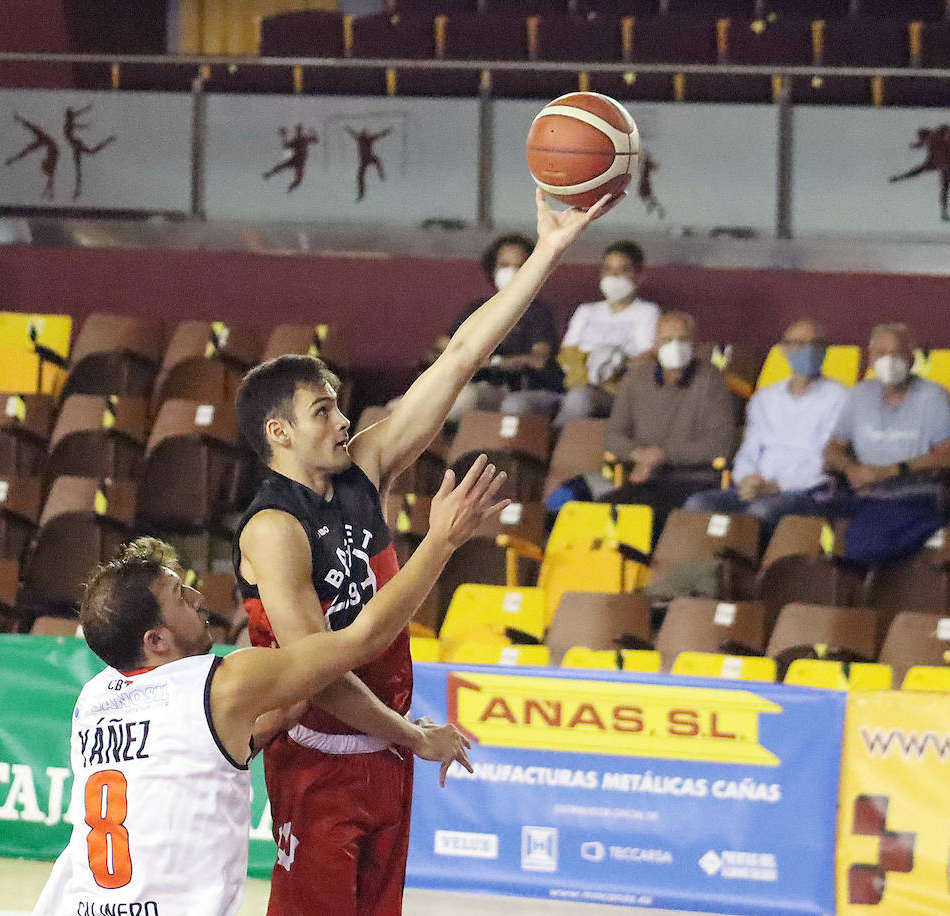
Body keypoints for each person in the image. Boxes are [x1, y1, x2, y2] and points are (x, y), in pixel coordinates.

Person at [233, 189, 616, 916]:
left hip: (384, 754)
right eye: (324, 412)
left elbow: (465, 355)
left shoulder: (365, 468)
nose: (345, 419)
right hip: (316, 758)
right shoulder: (271, 531)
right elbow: (322, 671)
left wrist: (549, 253)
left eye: (341, 405)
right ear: (279, 434)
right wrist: (414, 734)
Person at [32, 456, 503, 916]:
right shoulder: (221, 685)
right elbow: (361, 641)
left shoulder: (92, 699)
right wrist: (441, 540)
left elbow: (219, 746)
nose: (199, 598)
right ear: (155, 640)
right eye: (181, 595)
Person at [684, 319, 852, 540]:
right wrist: (747, 479)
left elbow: (824, 460)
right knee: (698, 505)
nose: (808, 351)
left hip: (806, 491)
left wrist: (776, 487)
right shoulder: (765, 398)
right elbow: (750, 449)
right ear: (784, 349)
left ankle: (755, 572)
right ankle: (708, 569)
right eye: (799, 344)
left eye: (815, 344)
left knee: (761, 512)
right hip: (757, 487)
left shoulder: (841, 397)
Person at [822, 322, 950, 565]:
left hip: (913, 495)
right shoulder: (860, 394)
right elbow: (832, 449)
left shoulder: (934, 397)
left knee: (862, 543)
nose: (888, 360)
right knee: (801, 524)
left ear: (911, 357)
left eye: (895, 353)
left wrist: (887, 471)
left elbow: (948, 456)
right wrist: (849, 468)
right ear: (871, 357)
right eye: (880, 353)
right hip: (863, 494)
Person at [601, 310, 738, 535]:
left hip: (693, 480)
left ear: (694, 345)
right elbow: (613, 437)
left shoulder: (711, 381)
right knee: (597, 511)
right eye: (667, 339)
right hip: (644, 480)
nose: (675, 346)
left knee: (642, 519)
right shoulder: (635, 379)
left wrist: (663, 455)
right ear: (655, 344)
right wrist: (639, 455)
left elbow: (719, 445)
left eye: (682, 339)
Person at [427, 234, 565, 420]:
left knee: (463, 399)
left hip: (511, 388)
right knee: (403, 406)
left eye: (519, 266)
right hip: (471, 383)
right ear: (493, 268)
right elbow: (444, 344)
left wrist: (492, 362)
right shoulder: (479, 308)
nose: (511, 272)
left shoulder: (537, 312)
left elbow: (538, 359)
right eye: (504, 266)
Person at [554, 240, 661, 426]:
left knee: (578, 399)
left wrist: (615, 367)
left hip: (614, 391)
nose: (614, 276)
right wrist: (585, 372)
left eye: (623, 270)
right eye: (608, 269)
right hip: (575, 384)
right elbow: (568, 351)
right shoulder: (586, 311)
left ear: (639, 275)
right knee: (518, 404)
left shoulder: (647, 312)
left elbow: (648, 355)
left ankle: (556, 445)